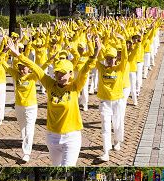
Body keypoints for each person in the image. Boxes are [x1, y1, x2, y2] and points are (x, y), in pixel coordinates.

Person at [6, 36, 101, 166]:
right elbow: (36, 68)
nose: (59, 76)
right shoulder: (50, 84)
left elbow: (84, 71)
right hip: (52, 137)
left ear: (70, 73)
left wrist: (94, 54)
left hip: (72, 136)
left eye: (63, 73)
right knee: (57, 167)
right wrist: (18, 55)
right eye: (57, 73)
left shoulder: (75, 86)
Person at [96, 34, 128, 161]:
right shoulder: (101, 68)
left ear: (116, 58)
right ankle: (105, 152)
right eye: (107, 58)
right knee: (105, 125)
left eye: (112, 58)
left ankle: (117, 140)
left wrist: (123, 42)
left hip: (118, 101)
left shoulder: (120, 68)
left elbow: (125, 58)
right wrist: (97, 45)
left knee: (118, 123)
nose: (109, 60)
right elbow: (95, 58)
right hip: (105, 101)